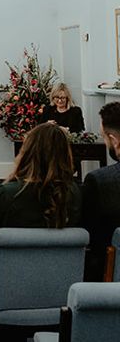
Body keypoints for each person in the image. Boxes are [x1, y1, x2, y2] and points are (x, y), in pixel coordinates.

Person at [0, 122, 82, 339]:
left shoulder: (7, 193)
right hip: (62, 293)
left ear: (27, 153)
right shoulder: (77, 195)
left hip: (10, 293)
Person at [82, 101, 120, 281]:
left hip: (109, 280)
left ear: (114, 140)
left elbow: (87, 236)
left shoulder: (99, 182)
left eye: (104, 137)